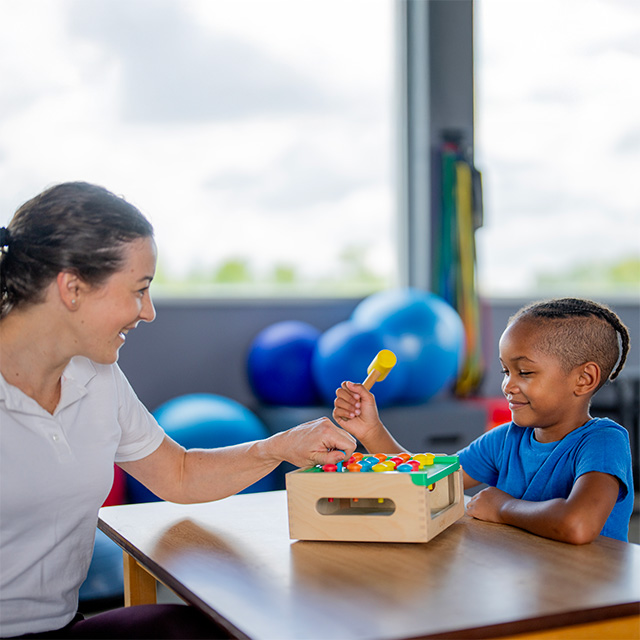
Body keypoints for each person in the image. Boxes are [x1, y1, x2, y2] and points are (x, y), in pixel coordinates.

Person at [0, 182, 357, 639]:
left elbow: (179, 473)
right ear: (72, 288)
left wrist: (280, 447)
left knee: (213, 629)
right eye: (138, 290)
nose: (147, 312)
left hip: (59, 626)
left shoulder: (96, 376)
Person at [333, 297, 634, 544]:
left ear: (584, 379)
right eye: (506, 371)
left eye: (524, 372)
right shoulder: (505, 439)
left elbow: (578, 524)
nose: (508, 385)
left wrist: (503, 508)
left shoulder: (604, 441)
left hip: (592, 600)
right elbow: (428, 485)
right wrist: (372, 431)